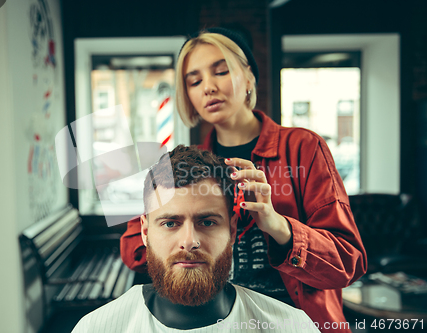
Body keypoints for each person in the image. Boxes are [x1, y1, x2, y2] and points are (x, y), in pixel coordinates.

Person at [120, 27, 367, 332]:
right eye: (194, 81)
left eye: (221, 72)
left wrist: (278, 226)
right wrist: (166, 219)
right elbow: (134, 248)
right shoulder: (189, 165)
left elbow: (348, 264)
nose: (208, 87)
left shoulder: (303, 148)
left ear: (249, 76)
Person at [72, 145, 320, 333]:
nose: (189, 241)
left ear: (232, 231)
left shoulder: (293, 327)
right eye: (170, 223)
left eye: (207, 222)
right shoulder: (96, 328)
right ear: (145, 232)